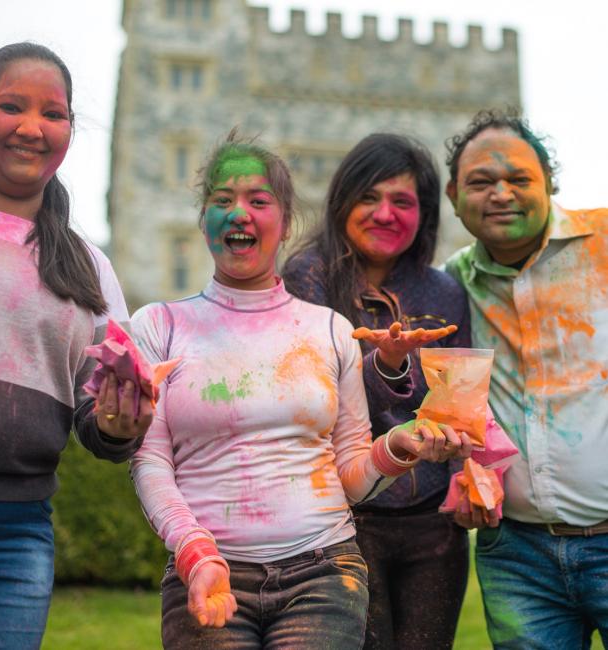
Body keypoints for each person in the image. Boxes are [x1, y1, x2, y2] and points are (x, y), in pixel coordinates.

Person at [130, 132, 471, 649]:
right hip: (209, 568)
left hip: (326, 570)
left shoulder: (331, 329)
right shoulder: (159, 326)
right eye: (223, 201)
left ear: (284, 223)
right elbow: (150, 462)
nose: (240, 213)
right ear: (203, 221)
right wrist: (194, 550)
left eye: (258, 201)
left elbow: (351, 471)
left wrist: (398, 447)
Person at [0, 43, 153, 649]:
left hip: (12, 534)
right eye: (10, 106)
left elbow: (100, 419)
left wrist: (122, 424)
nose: (31, 128)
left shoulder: (89, 268)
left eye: (53, 114)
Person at [282, 133, 472, 650]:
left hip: (433, 528)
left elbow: (463, 401)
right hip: (344, 521)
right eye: (369, 197)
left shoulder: (445, 293)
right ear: (342, 200)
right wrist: (386, 366)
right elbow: (313, 394)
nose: (384, 213)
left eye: (402, 202)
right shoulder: (307, 278)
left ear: (425, 214)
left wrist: (466, 475)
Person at [444, 108, 608, 649]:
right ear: (452, 194)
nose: (501, 194)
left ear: (550, 184)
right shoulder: (452, 285)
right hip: (516, 557)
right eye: (481, 182)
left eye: (519, 179)